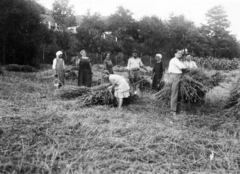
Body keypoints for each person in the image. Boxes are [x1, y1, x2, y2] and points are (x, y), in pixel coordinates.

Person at [168, 50, 187, 116]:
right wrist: (187, 68)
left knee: (175, 93)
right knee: (174, 93)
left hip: (176, 76)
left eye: (181, 53)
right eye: (178, 53)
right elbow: (182, 67)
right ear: (175, 54)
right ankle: (173, 111)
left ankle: (175, 108)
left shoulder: (178, 60)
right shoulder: (174, 60)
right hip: (175, 76)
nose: (180, 54)